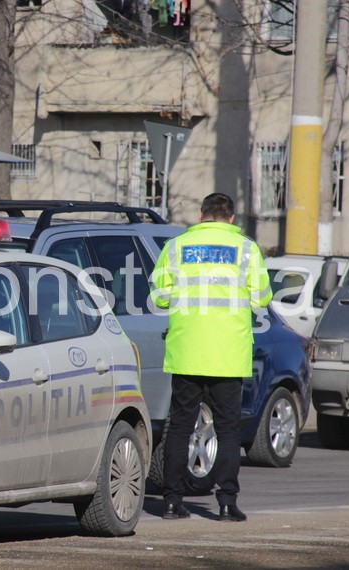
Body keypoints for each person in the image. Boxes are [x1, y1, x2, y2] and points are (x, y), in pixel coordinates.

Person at [149, 193, 272, 523]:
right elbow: (262, 298)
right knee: (228, 430)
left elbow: (158, 297)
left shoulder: (176, 247)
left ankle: (172, 502)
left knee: (179, 427)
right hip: (228, 354)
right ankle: (227, 504)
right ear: (231, 218)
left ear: (201, 215)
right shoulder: (246, 249)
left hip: (187, 351)